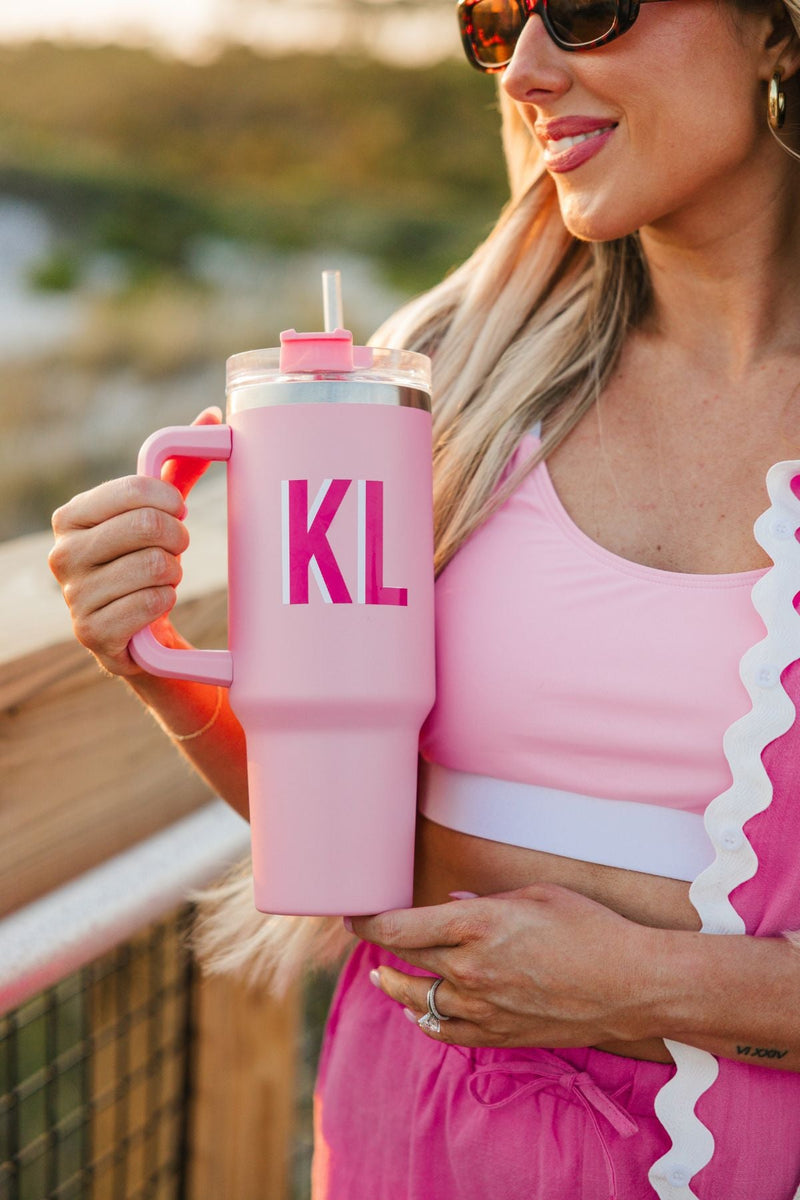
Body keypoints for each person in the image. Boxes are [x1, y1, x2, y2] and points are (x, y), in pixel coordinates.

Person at [49, 1, 800, 1196]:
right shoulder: (448, 378)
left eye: (588, 10)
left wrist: (648, 988)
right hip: (418, 1136)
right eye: (495, 26)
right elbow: (349, 842)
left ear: (774, 28)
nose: (530, 71)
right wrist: (154, 663)